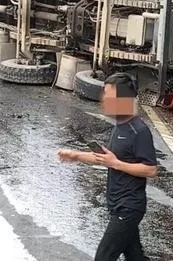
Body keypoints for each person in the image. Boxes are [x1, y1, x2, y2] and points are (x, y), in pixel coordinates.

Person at [57, 72, 158, 261]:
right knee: (136, 257)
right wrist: (76, 155)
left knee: (103, 258)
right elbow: (105, 159)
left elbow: (151, 169)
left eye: (109, 96)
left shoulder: (140, 131)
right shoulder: (121, 125)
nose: (104, 100)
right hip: (118, 204)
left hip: (128, 207)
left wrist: (117, 164)